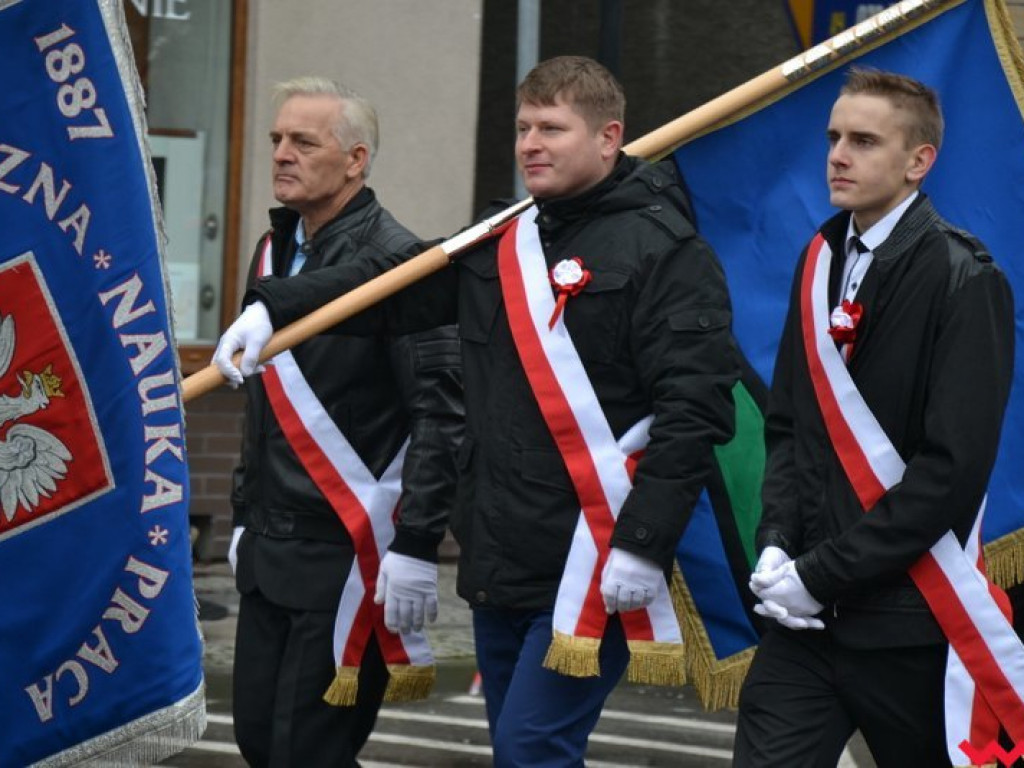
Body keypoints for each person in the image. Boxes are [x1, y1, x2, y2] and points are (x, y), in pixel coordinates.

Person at [215, 56, 738, 766]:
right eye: (523, 128)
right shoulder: (505, 237)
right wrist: (273, 306)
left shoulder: (666, 251)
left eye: (551, 128)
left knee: (531, 750)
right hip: (500, 556)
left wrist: (643, 542)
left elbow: (694, 411)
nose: (530, 144)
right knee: (518, 750)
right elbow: (393, 282)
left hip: (592, 557)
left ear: (609, 137)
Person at [733, 68, 1017, 766]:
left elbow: (950, 472)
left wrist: (822, 573)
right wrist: (777, 540)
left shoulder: (965, 278)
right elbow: (790, 427)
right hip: (805, 631)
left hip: (909, 624)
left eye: (863, 141)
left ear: (919, 161)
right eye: (833, 138)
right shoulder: (819, 260)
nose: (837, 155)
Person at [212, 77, 463, 768]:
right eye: (276, 139)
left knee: (308, 752)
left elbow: (441, 412)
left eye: (304, 142)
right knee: (258, 741)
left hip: (346, 554)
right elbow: (264, 405)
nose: (281, 154)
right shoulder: (275, 251)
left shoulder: (400, 261)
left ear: (355, 160)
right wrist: (243, 513)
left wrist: (417, 541)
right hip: (270, 549)